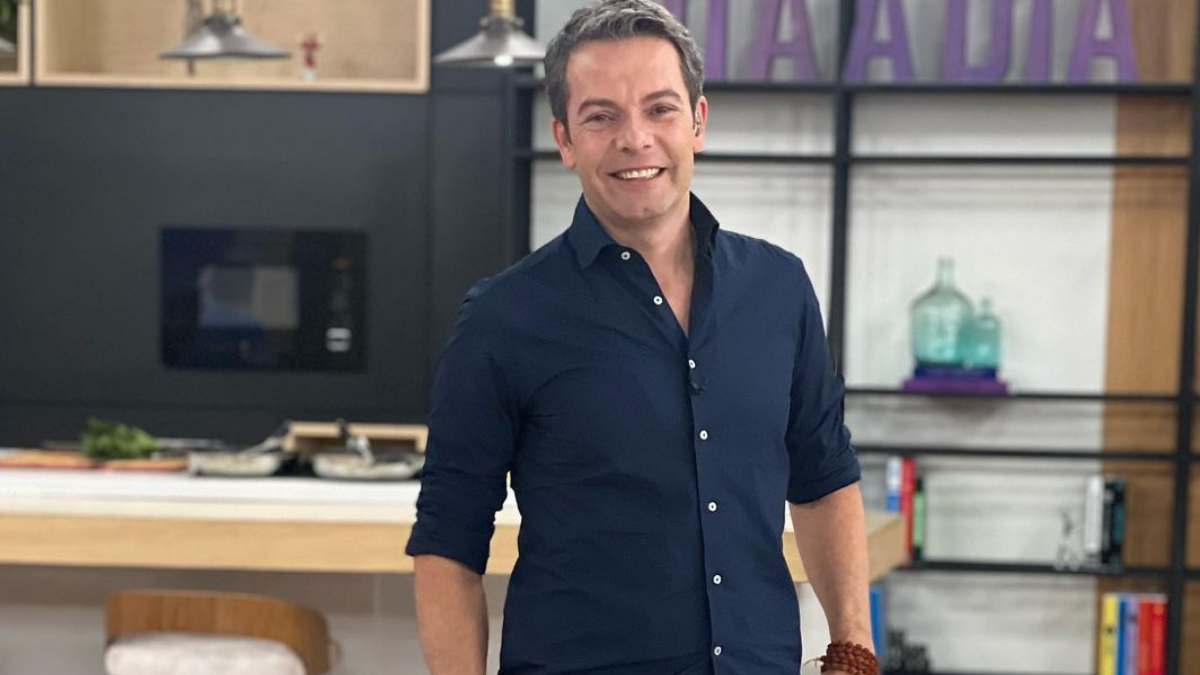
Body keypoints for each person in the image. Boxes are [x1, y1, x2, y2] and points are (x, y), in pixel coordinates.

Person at [406, 2, 874, 674]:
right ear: (565, 139)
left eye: (660, 109)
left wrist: (853, 649)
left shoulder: (779, 288)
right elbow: (448, 543)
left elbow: (824, 480)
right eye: (601, 117)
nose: (635, 139)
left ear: (697, 122)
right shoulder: (503, 318)